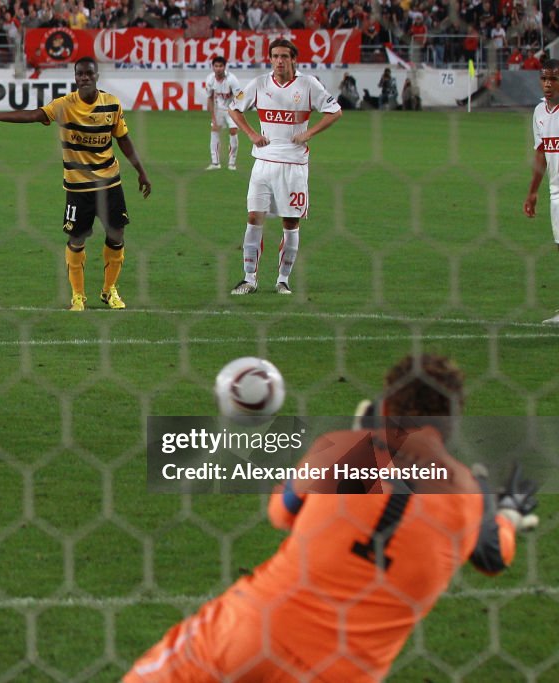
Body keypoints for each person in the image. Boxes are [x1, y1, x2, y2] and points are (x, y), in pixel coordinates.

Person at [125, 353, 539, 682]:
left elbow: (281, 513)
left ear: (388, 404)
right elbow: (493, 556)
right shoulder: (466, 496)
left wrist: (361, 437)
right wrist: (506, 514)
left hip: (253, 634)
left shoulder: (344, 448)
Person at [0, 57, 151, 311]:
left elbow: (124, 140)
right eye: (79, 74)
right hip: (78, 188)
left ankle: (109, 290)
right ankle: (78, 296)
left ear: (96, 76)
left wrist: (141, 171)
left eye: (88, 73)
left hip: (109, 183)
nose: (84, 77)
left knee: (116, 235)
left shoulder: (112, 104)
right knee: (77, 239)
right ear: (75, 77)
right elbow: (35, 115)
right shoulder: (64, 105)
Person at [228, 39, 341, 296]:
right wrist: (251, 134)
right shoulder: (258, 84)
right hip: (264, 163)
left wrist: (309, 133)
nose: (279, 61)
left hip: (294, 165)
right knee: (253, 218)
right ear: (270, 59)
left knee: (290, 223)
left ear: (294, 59)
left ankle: (283, 280)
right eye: (275, 56)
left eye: (284, 56)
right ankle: (249, 279)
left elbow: (335, 111)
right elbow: (234, 108)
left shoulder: (308, 84)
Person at [523, 59, 559, 324]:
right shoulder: (539, 113)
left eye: (554, 78)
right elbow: (541, 154)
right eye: (545, 78)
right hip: (555, 192)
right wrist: (533, 191)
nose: (548, 83)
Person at [203, 56, 241, 170]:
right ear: (213, 67)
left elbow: (240, 96)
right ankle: (215, 163)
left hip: (232, 109)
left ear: (224, 67)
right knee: (214, 130)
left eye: (220, 66)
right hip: (218, 109)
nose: (218, 68)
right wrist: (212, 115)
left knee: (233, 131)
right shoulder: (210, 79)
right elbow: (209, 98)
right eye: (216, 66)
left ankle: (232, 163)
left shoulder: (232, 79)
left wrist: (237, 111)